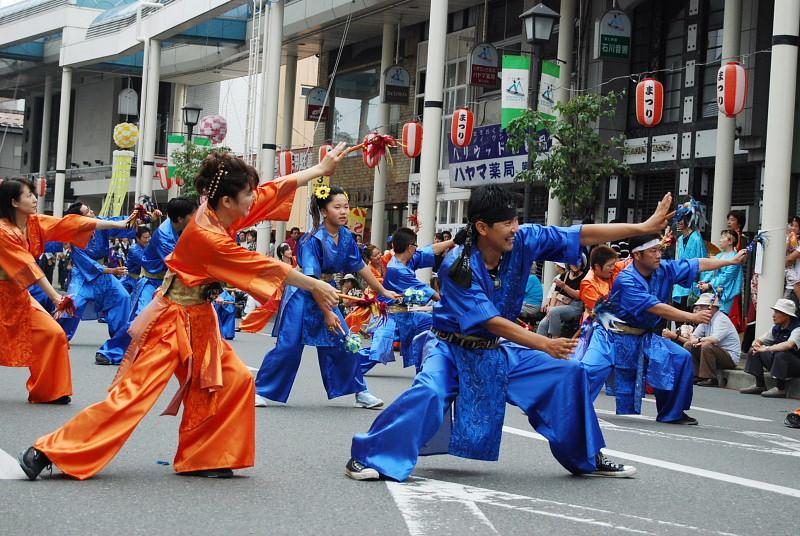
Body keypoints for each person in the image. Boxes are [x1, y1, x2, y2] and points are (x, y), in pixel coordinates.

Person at [17, 149, 346, 481]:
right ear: (229, 200)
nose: (253, 199)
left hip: (200, 319)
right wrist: (315, 285)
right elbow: (263, 266)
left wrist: (319, 168)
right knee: (133, 397)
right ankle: (49, 450)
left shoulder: (222, 213)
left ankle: (203, 456)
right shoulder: (208, 234)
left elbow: (273, 190)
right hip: (171, 322)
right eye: (247, 194)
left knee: (234, 380)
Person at [344, 184, 676, 482]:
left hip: (497, 349)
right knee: (430, 392)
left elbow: (579, 233)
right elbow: (489, 320)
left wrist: (643, 227)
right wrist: (543, 342)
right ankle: (367, 454)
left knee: (568, 374)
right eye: (507, 223)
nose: (515, 229)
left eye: (515, 221)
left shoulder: (524, 238)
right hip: (451, 350)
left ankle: (587, 458)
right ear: (482, 227)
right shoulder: (458, 266)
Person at [254, 185, 401, 410]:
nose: (344, 212)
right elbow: (313, 282)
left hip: (328, 290)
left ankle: (360, 391)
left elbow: (360, 266)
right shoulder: (311, 239)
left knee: (344, 341)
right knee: (289, 347)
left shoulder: (347, 237)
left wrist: (383, 291)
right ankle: (260, 389)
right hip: (303, 294)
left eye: (346, 207)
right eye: (337, 207)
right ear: (324, 211)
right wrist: (327, 313)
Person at [577, 233, 746, 424]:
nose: (658, 255)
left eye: (659, 250)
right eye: (653, 251)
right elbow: (655, 307)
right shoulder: (626, 280)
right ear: (637, 255)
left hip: (642, 336)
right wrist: (692, 317)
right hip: (611, 335)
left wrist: (731, 262)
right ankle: (570, 407)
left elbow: (696, 263)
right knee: (591, 370)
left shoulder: (663, 269)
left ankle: (672, 413)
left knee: (680, 358)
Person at [0, 178, 130, 404]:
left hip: (17, 296)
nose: (34, 199)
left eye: (33, 193)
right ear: (13, 202)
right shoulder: (3, 231)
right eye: (28, 195)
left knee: (54, 334)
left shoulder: (34, 223)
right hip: (6, 295)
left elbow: (72, 224)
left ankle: (50, 391)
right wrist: (56, 296)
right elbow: (28, 267)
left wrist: (118, 225)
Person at [358, 227, 454, 372]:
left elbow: (431, 249)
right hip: (389, 316)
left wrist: (453, 241)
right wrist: (452, 304)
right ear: (409, 248)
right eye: (415, 245)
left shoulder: (408, 260)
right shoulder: (397, 269)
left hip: (406, 313)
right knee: (377, 351)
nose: (417, 248)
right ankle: (349, 366)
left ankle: (423, 368)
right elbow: (428, 292)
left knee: (430, 322)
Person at [61, 202, 136, 365]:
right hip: (83, 275)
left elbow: (121, 222)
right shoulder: (75, 236)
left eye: (90, 208)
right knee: (71, 304)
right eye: (88, 211)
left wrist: (143, 217)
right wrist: (112, 271)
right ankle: (58, 337)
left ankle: (119, 340)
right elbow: (88, 264)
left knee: (122, 297)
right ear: (79, 219)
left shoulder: (101, 223)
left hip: (104, 275)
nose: (92, 211)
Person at [129, 197, 198, 320]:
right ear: (180, 218)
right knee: (142, 319)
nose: (196, 216)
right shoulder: (164, 237)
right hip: (152, 281)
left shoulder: (182, 226)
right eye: (193, 214)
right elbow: (179, 264)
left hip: (170, 280)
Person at [662, 292, 740, 387]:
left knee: (706, 345)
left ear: (713, 307)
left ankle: (709, 377)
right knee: (689, 345)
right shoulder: (706, 319)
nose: (700, 309)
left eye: (703, 306)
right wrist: (695, 340)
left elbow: (714, 339)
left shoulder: (721, 319)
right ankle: (696, 374)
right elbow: (693, 336)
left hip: (730, 357)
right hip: (715, 352)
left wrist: (698, 340)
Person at [740, 298, 800, 398]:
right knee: (754, 351)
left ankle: (780, 389)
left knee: (782, 354)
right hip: (780, 363)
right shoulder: (776, 327)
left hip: (795, 365)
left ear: (787, 315)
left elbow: (789, 345)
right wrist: (756, 344)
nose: (773, 315)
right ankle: (760, 385)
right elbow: (760, 340)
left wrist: (767, 348)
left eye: (777, 312)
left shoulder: (797, 328)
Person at [698, 229, 743, 328]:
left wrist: (709, 284)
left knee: (720, 321)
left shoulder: (735, 257)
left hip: (725, 293)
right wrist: (704, 281)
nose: (720, 240)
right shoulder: (719, 255)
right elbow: (710, 269)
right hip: (714, 291)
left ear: (730, 241)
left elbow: (726, 277)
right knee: (709, 320)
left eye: (723, 238)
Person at [537, 257, 587, 338]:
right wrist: (551, 307)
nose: (575, 264)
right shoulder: (564, 275)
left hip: (575, 306)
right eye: (572, 262)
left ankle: (554, 339)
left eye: (578, 262)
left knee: (554, 311)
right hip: (560, 305)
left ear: (582, 264)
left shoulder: (584, 277)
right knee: (543, 324)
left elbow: (578, 296)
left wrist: (564, 286)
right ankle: (538, 347)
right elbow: (555, 293)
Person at [672, 200, 708, 309]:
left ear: (688, 219)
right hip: (679, 285)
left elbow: (702, 262)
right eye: (677, 220)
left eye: (680, 220)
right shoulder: (679, 239)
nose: (678, 223)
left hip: (692, 286)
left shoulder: (696, 239)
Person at [346, 244, 386, 333]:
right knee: (365, 316)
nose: (379, 256)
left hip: (384, 293)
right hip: (374, 295)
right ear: (370, 259)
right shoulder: (369, 269)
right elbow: (378, 282)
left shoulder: (383, 260)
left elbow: (394, 252)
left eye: (379, 253)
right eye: (375, 256)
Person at [121, 226, 151, 294]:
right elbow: (146, 262)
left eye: (149, 237)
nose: (147, 240)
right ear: (138, 238)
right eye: (145, 237)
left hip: (142, 280)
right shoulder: (134, 249)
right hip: (130, 280)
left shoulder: (149, 246)